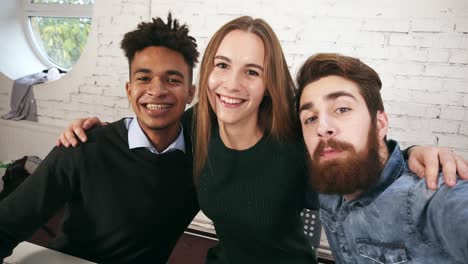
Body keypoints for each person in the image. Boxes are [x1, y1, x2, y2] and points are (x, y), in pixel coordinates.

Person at [57, 16, 468, 264]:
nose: (231, 84)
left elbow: (357, 166)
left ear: (269, 84)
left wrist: (414, 152)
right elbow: (150, 120)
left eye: (252, 71)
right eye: (222, 65)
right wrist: (95, 132)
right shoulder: (198, 123)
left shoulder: (294, 143)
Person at [0, 14, 199, 263]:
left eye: (172, 80)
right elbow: (6, 225)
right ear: (129, 90)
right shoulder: (82, 147)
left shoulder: (202, 156)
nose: (157, 91)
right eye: (144, 78)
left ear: (191, 93)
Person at [297, 53, 468, 263]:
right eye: (310, 118)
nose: (322, 128)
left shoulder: (433, 198)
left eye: (342, 109)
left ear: (379, 124)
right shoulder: (328, 187)